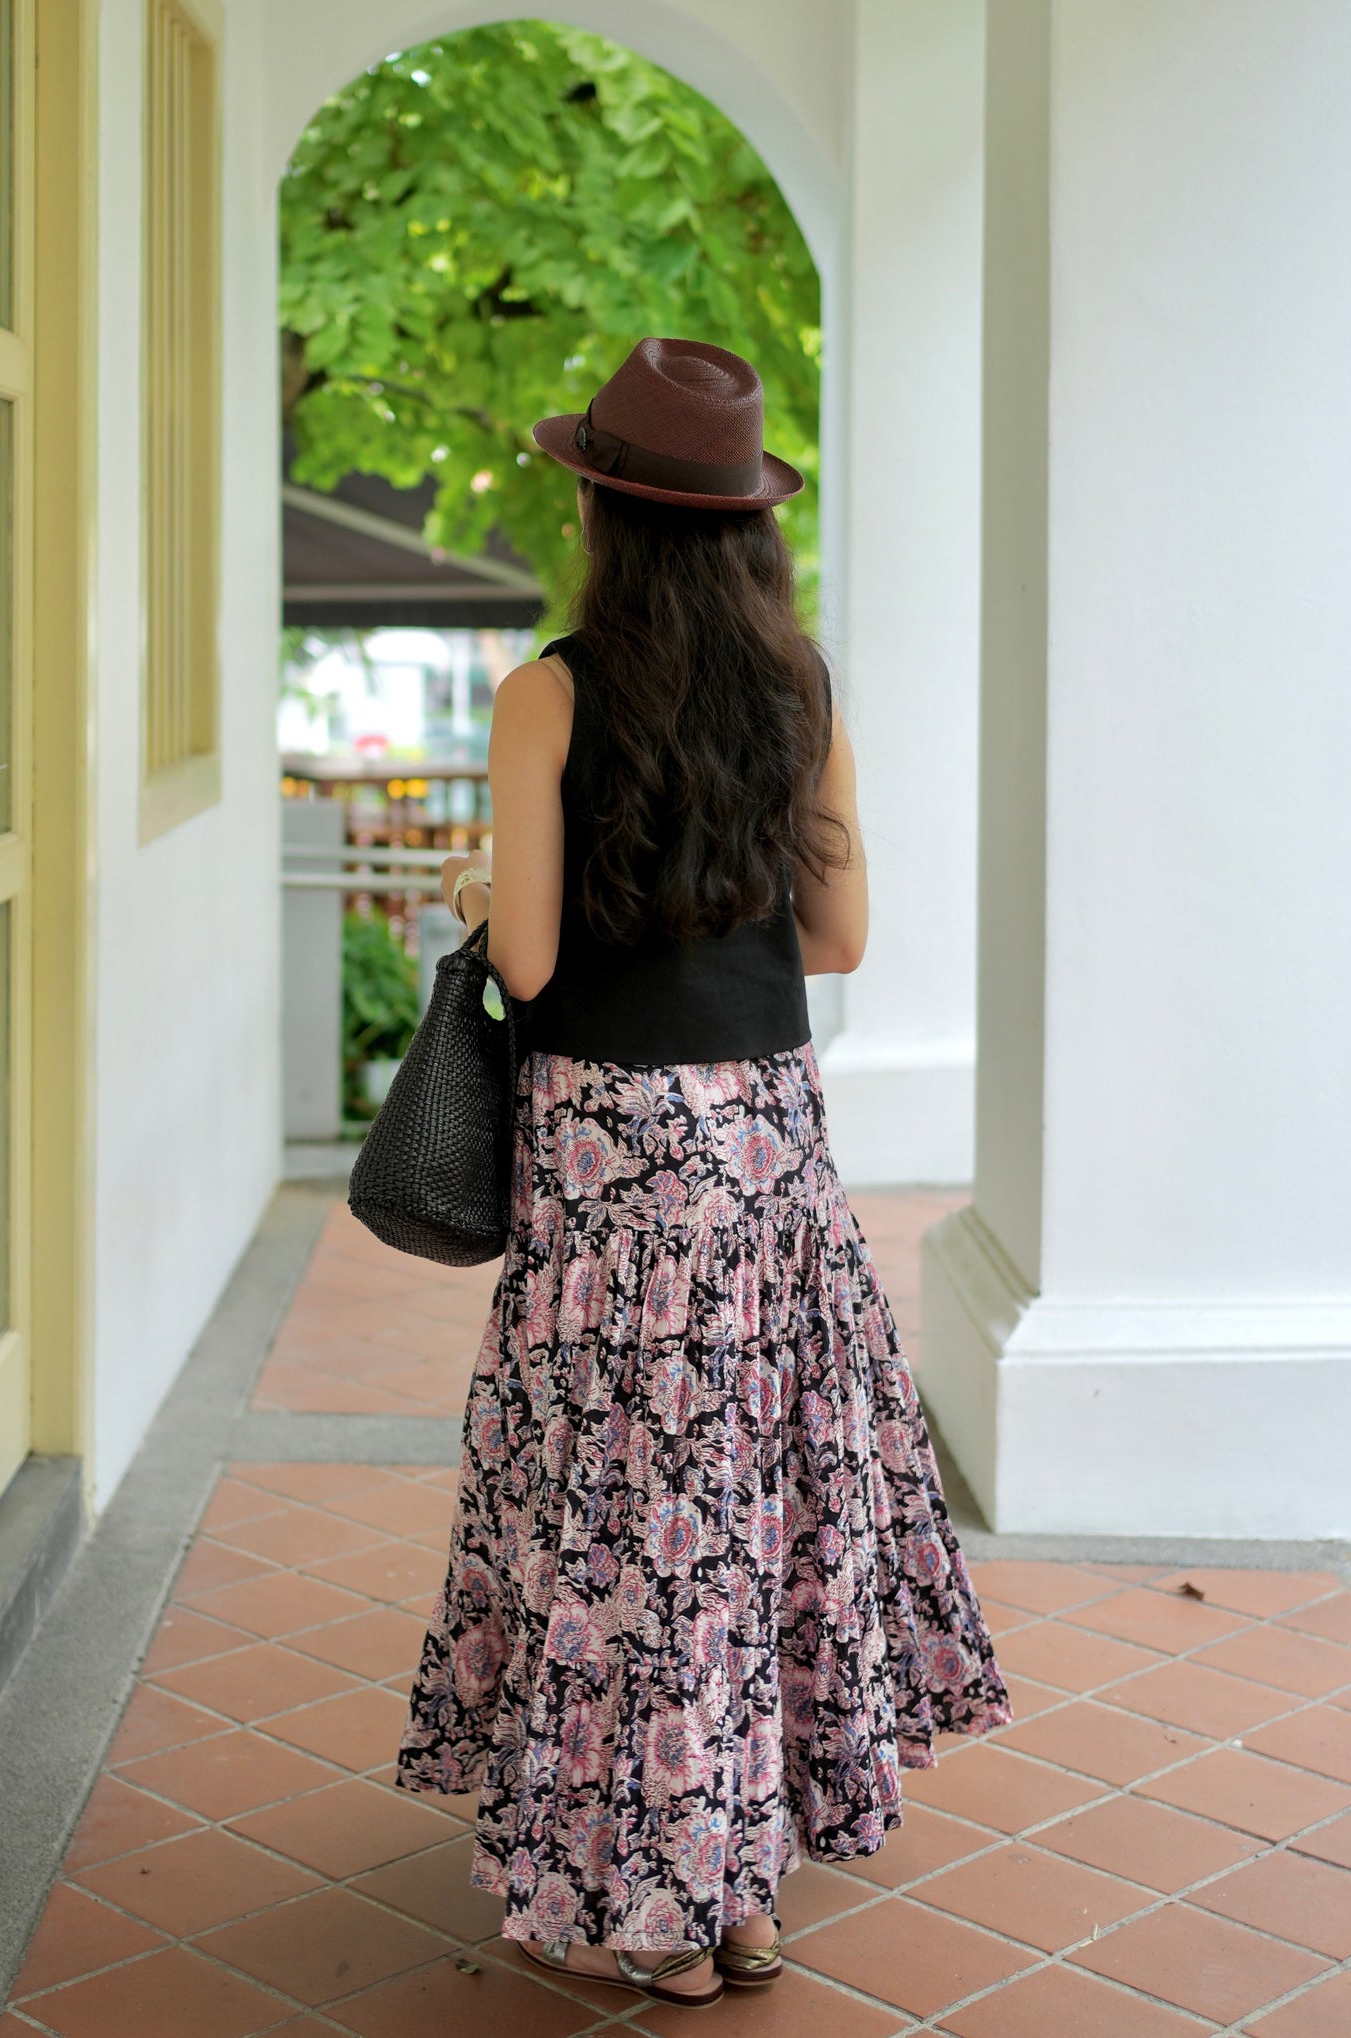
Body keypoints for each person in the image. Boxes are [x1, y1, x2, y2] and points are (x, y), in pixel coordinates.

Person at [394, 337, 1012, 2009]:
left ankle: (658, 1902)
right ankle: (740, 1891)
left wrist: (488, 885)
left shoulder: (549, 691)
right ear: (746, 526)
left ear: (600, 506)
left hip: (609, 1150)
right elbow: (840, 935)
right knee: (744, 1502)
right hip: (763, 1144)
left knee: (621, 1511)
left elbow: (525, 959)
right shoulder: (799, 688)